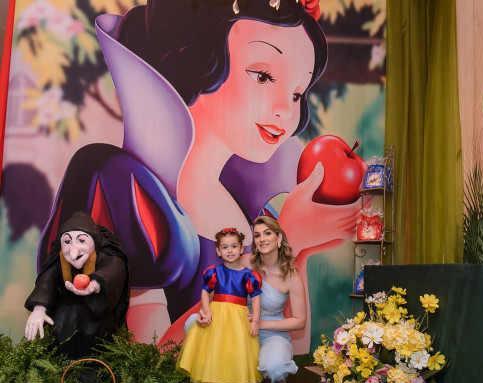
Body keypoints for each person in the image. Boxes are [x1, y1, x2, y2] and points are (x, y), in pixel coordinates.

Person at [38, 0, 360, 351]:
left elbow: (286, 348)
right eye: (263, 76)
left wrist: (297, 254)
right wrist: (288, 244)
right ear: (196, 59)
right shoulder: (123, 185)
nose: (287, 109)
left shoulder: (259, 215)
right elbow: (148, 360)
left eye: (298, 92)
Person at [193, 216, 304, 383]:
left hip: (272, 332)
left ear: (279, 238)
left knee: (275, 367)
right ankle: (229, 381)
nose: (262, 239)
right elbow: (215, 293)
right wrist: (203, 312)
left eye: (267, 233)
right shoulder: (243, 261)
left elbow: (300, 321)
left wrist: (261, 323)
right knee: (192, 323)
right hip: (237, 327)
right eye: (258, 235)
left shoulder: (291, 275)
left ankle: (272, 379)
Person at [24, 211, 130, 359]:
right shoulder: (59, 259)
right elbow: (46, 281)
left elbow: (114, 272)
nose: (73, 253)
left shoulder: (109, 256)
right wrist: (39, 309)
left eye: (81, 241)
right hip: (63, 324)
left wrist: (95, 284)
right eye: (67, 242)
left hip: (98, 326)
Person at [177, 228, 263, 383]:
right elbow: (205, 292)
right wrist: (206, 310)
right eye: (225, 247)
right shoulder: (214, 272)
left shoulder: (249, 275)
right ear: (218, 251)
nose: (230, 250)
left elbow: (255, 299)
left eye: (234, 246)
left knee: (239, 352)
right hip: (217, 316)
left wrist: (255, 320)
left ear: (242, 249)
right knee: (213, 352)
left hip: (238, 317)